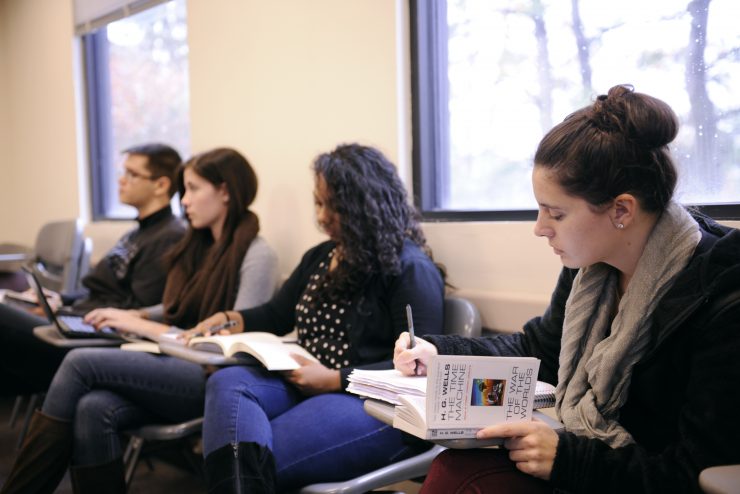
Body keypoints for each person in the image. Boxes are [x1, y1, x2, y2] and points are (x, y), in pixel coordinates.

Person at [394, 85, 740, 494]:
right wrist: (441, 353)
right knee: (458, 469)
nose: (540, 228)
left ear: (621, 210)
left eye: (555, 213)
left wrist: (569, 460)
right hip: (593, 460)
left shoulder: (722, 297)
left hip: (631, 476)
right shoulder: (591, 270)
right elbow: (543, 349)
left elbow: (697, 472)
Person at [1, 147, 279, 494]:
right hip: (178, 358)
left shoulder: (257, 253)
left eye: (193, 189)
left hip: (214, 379)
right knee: (92, 407)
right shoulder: (204, 246)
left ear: (224, 191)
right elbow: (179, 306)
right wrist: (137, 315)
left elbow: (231, 345)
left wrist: (145, 326)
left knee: (78, 362)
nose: (185, 201)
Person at [192, 143, 446, 492]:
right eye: (318, 202)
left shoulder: (409, 268)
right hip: (303, 379)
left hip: (372, 400)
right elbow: (276, 315)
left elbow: (421, 369)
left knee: (254, 458)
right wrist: (230, 318)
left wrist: (333, 378)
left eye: (335, 206)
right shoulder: (322, 256)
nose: (322, 216)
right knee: (227, 381)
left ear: (366, 207)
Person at [0, 143, 186, 396]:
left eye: (132, 174)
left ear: (161, 185)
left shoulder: (169, 237)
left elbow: (134, 309)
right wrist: (62, 300)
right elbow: (100, 290)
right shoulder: (136, 233)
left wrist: (69, 312)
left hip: (96, 339)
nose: (121, 180)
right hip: (80, 322)